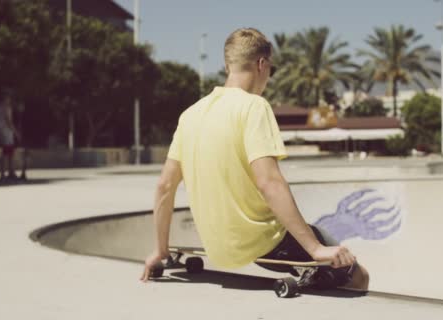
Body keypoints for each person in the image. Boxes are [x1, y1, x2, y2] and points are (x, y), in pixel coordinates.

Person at [140, 28, 369, 290]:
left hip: (221, 248)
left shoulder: (190, 114)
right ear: (262, 64)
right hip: (267, 243)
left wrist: (160, 250)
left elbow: (164, 187)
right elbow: (269, 183)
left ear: (228, 65)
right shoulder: (254, 107)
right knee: (358, 275)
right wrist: (315, 249)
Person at [0, 91, 21, 180]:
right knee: (9, 153)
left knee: (5, 153)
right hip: (7, 133)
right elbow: (8, 121)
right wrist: (16, 132)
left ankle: (4, 172)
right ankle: (9, 172)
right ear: (6, 98)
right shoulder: (7, 108)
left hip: (0, 131)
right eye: (9, 98)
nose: (10, 100)